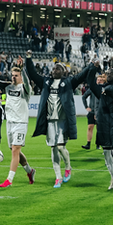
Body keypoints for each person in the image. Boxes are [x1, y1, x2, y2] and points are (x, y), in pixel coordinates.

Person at [25, 52, 92, 187]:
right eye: (54, 68)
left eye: (58, 68)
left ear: (64, 72)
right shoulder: (45, 82)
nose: (54, 70)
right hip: (50, 121)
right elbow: (32, 74)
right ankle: (58, 177)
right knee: (53, 148)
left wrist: (91, 66)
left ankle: (68, 167)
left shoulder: (68, 82)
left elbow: (81, 76)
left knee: (61, 147)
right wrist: (28, 59)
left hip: (63, 121)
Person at [0, 57, 36, 187]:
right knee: (15, 150)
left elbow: (27, 81)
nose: (14, 77)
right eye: (13, 75)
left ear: (21, 77)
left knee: (15, 150)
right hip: (9, 123)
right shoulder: (8, 86)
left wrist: (23, 69)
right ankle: (29, 171)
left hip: (21, 123)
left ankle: (9, 180)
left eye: (17, 75)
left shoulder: (25, 89)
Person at [86, 64, 113, 190]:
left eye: (111, 73)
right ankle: (112, 178)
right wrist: (93, 68)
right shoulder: (101, 88)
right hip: (104, 123)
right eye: (107, 73)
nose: (108, 75)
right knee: (106, 152)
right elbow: (91, 83)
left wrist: (109, 91)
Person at [81, 80, 98, 150]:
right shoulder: (92, 89)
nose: (99, 81)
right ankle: (88, 144)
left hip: (100, 112)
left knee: (99, 129)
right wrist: (86, 107)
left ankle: (98, 144)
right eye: (98, 80)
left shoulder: (104, 89)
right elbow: (84, 96)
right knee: (90, 127)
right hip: (92, 112)